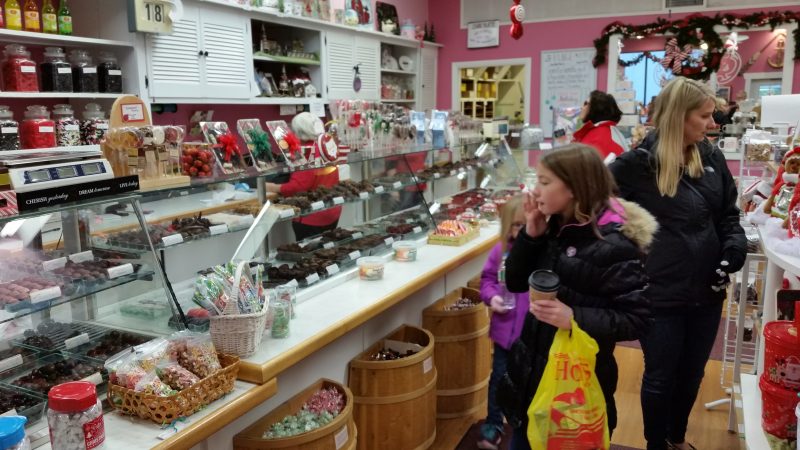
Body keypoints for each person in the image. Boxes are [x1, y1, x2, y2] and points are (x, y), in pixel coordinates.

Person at [609, 77, 747, 450]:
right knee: (660, 377)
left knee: (691, 375)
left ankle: (677, 439)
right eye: (704, 116)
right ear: (679, 117)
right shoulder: (636, 165)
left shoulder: (713, 157)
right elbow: (599, 214)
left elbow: (728, 216)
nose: (712, 123)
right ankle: (657, 444)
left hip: (707, 289)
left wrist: (734, 246)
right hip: (658, 291)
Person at [499, 144, 656, 450]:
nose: (536, 190)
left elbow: (638, 319)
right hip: (530, 379)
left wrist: (575, 318)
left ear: (573, 187)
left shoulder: (614, 245)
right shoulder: (552, 226)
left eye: (545, 182)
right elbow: (517, 282)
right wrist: (531, 234)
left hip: (576, 386)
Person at [476, 195, 530, 450]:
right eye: (515, 225)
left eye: (524, 224)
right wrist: (492, 297)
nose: (519, 231)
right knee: (498, 379)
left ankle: (523, 424)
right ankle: (494, 425)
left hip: (530, 337)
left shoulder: (540, 253)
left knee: (527, 384)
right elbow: (486, 280)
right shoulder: (500, 251)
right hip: (503, 334)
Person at [265, 166, 342, 240]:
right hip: (331, 208)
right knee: (325, 248)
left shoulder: (307, 154)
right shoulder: (326, 153)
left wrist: (271, 187)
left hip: (311, 215)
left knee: (310, 249)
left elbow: (297, 187)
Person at [573, 90, 629, 158]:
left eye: (585, 103)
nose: (581, 107)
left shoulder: (598, 136)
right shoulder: (606, 131)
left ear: (596, 107)